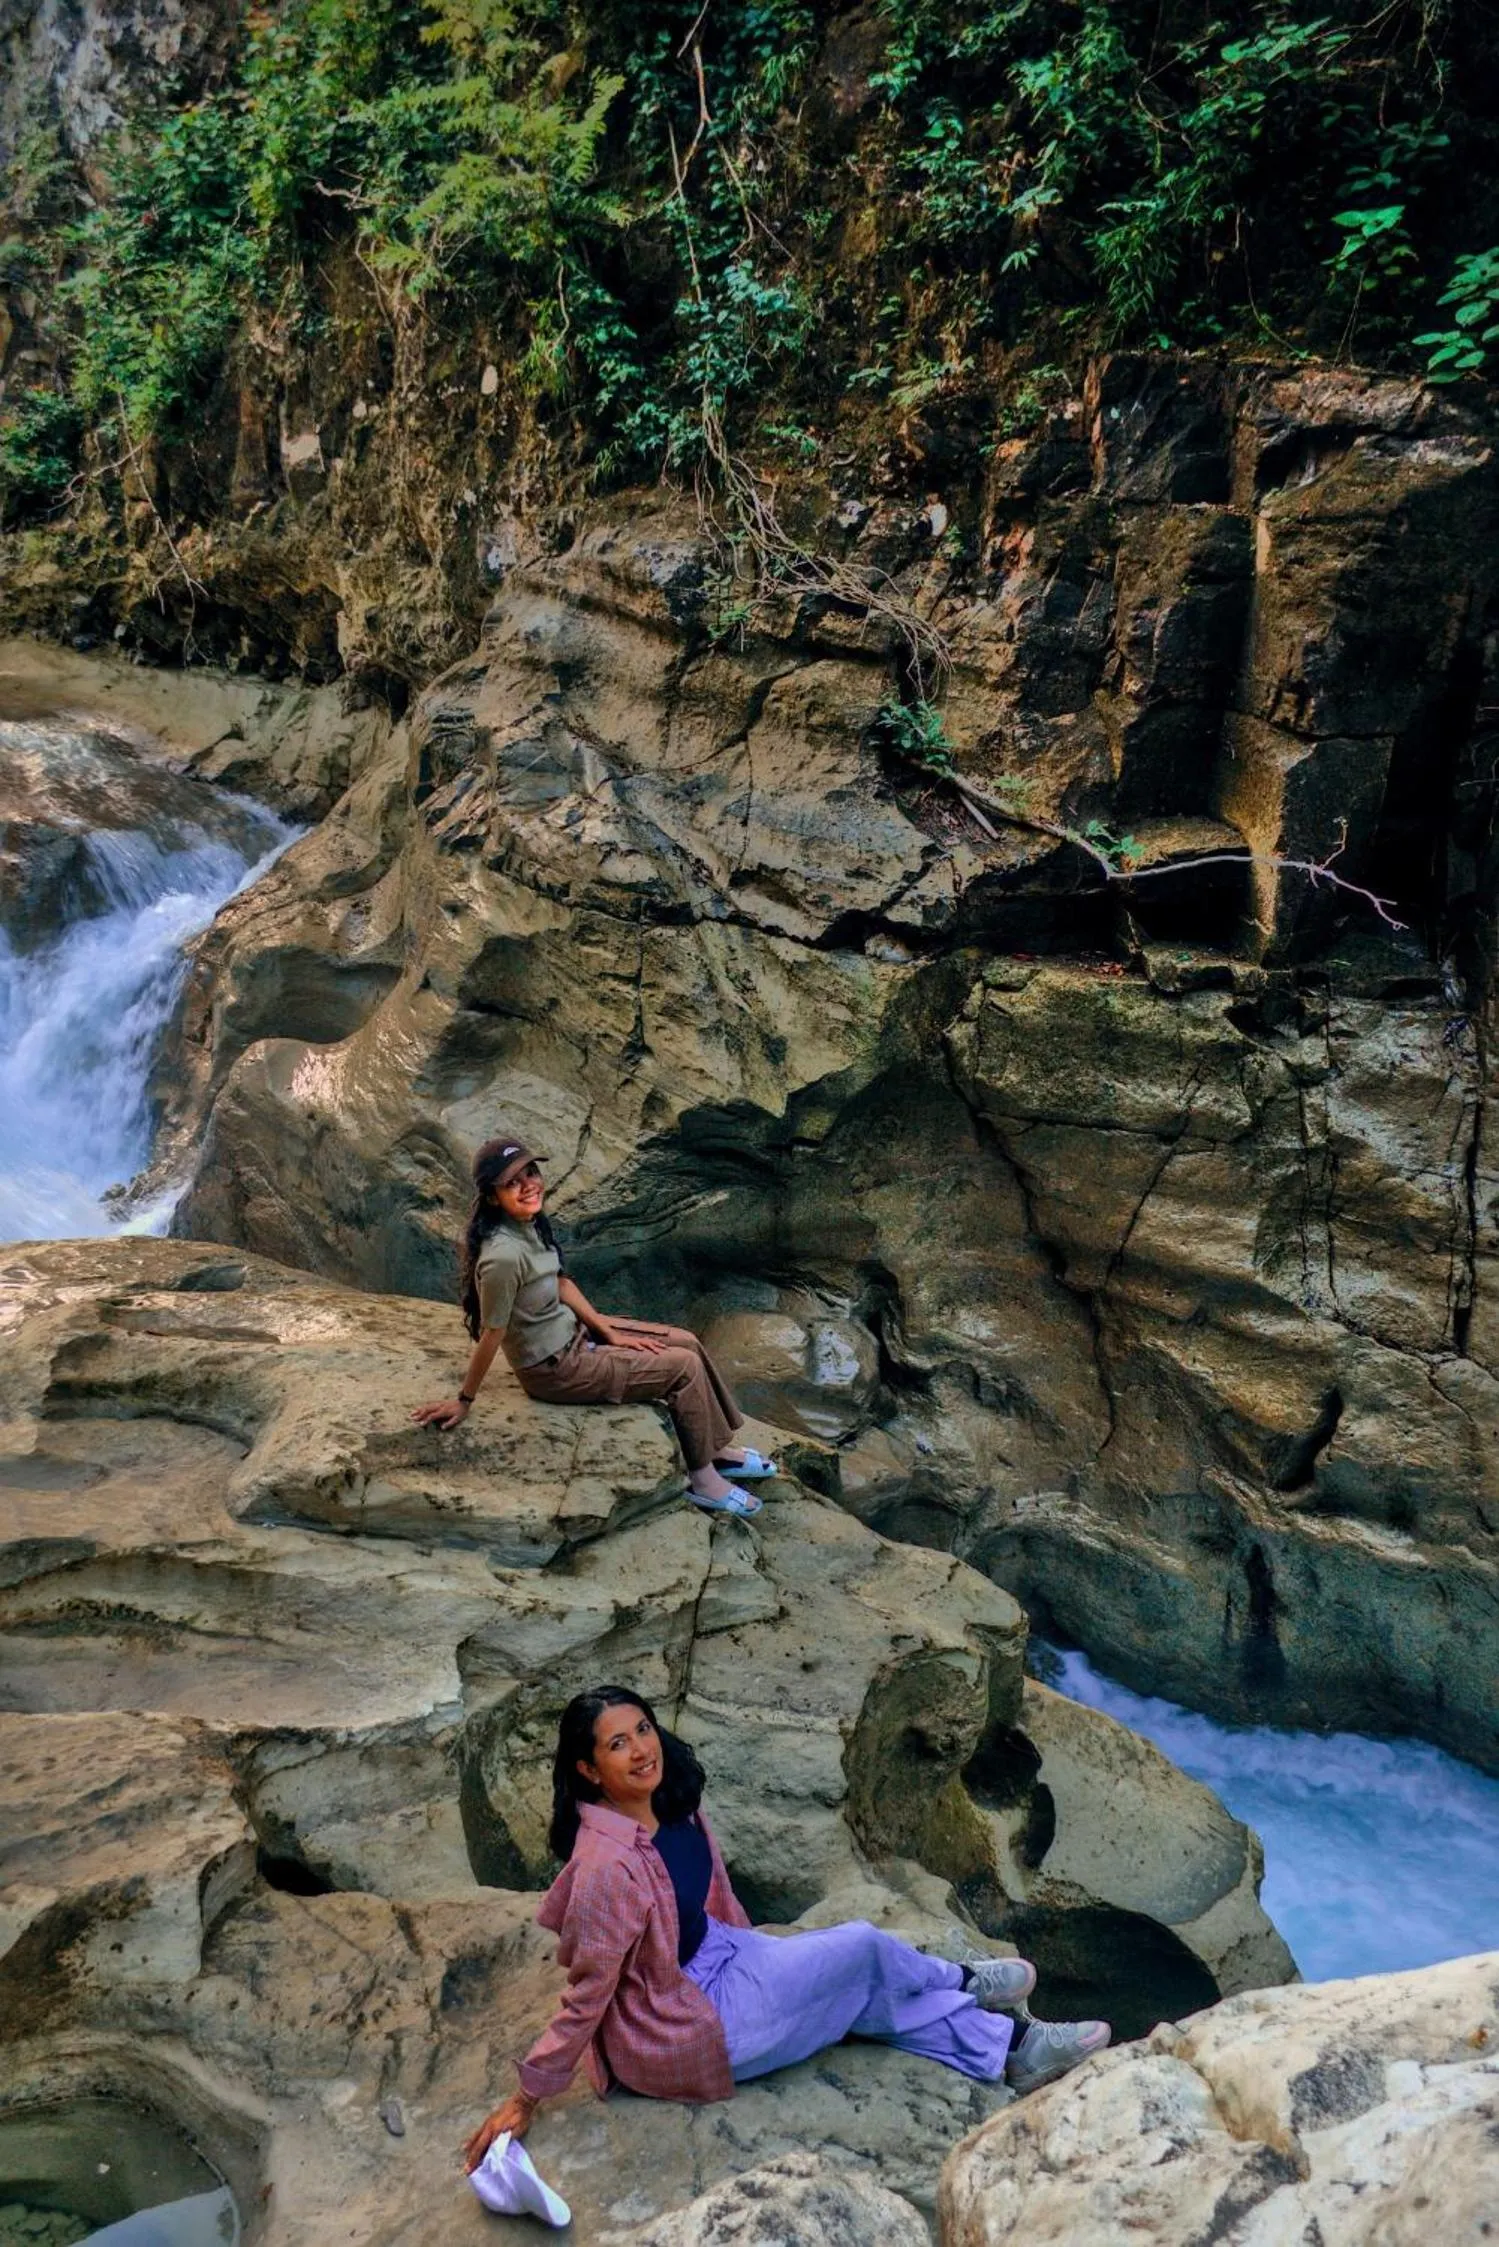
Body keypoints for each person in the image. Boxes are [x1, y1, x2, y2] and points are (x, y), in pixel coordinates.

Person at [462, 1686, 1111, 2171]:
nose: (639, 1748)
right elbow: (585, 1994)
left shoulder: (671, 1798)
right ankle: (965, 1983)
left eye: (641, 1728)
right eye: (616, 1743)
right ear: (586, 1768)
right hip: (683, 2019)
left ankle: (1010, 2051)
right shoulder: (605, 1866)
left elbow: (714, 1900)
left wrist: (770, 1959)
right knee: (858, 1948)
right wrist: (527, 2096)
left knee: (856, 1980)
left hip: (726, 1957)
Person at [412, 1137, 774, 1517]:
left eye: (530, 1172)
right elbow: (493, 1333)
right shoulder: (501, 1257)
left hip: (575, 1338)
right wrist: (464, 1400)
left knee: (685, 1341)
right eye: (512, 1182)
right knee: (682, 1368)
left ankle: (714, 1449)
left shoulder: (529, 1225)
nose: (529, 1184)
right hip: (554, 1369)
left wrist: (608, 1331)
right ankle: (703, 1480)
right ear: (491, 1197)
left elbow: (561, 1282)